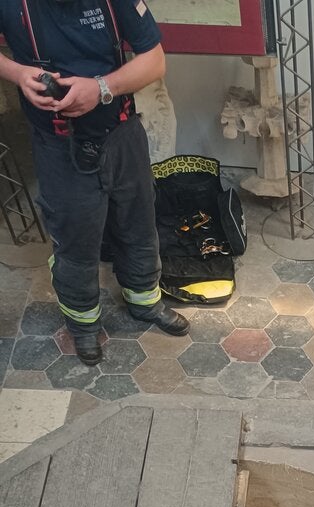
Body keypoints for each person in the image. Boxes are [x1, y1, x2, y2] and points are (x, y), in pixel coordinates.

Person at [0, 0, 189, 364]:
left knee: (138, 221)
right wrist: (18, 73)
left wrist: (101, 87)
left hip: (121, 131)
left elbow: (155, 60)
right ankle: (83, 324)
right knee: (76, 237)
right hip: (59, 145)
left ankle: (145, 301)